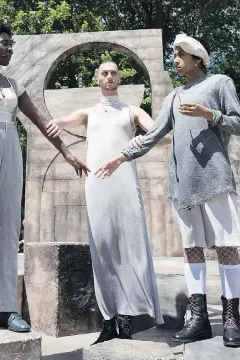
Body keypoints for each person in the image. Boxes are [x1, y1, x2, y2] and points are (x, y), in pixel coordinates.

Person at [94, 34, 240, 348]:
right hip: (182, 185)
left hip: (215, 179)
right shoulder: (175, 96)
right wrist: (121, 157)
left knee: (227, 245)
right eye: (174, 54)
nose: (175, 59)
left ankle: (232, 319)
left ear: (197, 59)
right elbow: (154, 134)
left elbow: (239, 124)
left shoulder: (220, 83)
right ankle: (199, 320)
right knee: (192, 250)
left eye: (179, 54)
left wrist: (209, 115)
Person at [0, 20, 89, 339]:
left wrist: (66, 153)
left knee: (10, 228)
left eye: (12, 43)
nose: (11, 48)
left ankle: (6, 308)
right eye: (5, 43)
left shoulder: (12, 84)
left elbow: (41, 122)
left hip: (10, 146)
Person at [46, 61, 164, 344]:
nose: (109, 76)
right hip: (97, 186)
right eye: (104, 73)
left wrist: (139, 143)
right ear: (97, 79)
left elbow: (159, 133)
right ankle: (109, 321)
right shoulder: (88, 113)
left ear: (119, 79)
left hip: (125, 184)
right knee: (102, 248)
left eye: (113, 73)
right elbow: (59, 122)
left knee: (130, 246)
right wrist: (58, 133)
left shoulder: (132, 111)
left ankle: (126, 318)